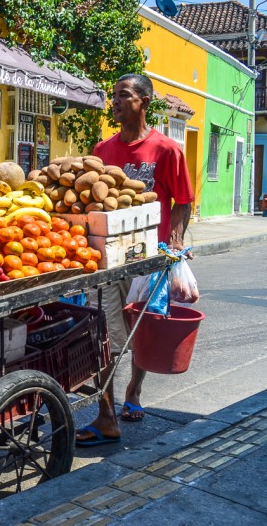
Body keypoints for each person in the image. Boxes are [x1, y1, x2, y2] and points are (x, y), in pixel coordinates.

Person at [75, 73, 194, 447]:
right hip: (109, 259)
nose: (116, 102)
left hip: (150, 259)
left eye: (124, 95)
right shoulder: (102, 150)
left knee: (141, 330)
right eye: (114, 96)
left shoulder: (166, 149)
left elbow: (183, 202)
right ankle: (106, 415)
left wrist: (173, 245)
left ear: (144, 102)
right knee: (104, 335)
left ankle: (134, 392)